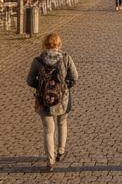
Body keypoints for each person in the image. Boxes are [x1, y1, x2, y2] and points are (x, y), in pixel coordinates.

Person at [27, 32, 79, 173]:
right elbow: (75, 77)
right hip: (62, 99)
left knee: (48, 131)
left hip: (44, 101)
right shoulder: (66, 58)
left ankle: (50, 161)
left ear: (44, 45)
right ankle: (61, 151)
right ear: (59, 44)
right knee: (62, 123)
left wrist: (42, 87)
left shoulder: (37, 61)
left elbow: (30, 80)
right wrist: (64, 86)